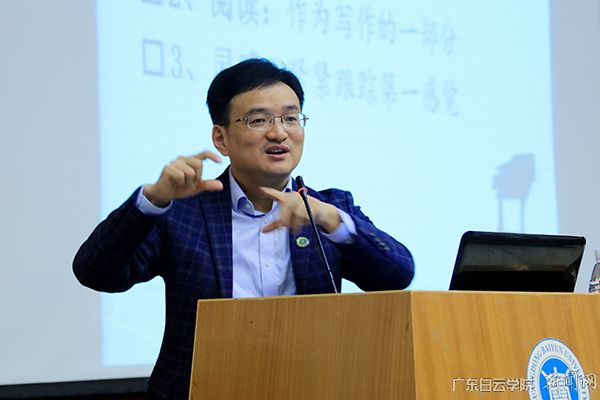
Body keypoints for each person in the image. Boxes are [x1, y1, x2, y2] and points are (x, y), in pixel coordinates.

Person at [73, 58, 414, 399]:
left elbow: (396, 274)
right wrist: (152, 200)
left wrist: (332, 221)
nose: (279, 132)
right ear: (221, 138)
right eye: (258, 120)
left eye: (291, 118)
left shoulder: (329, 209)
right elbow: (96, 272)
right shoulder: (182, 213)